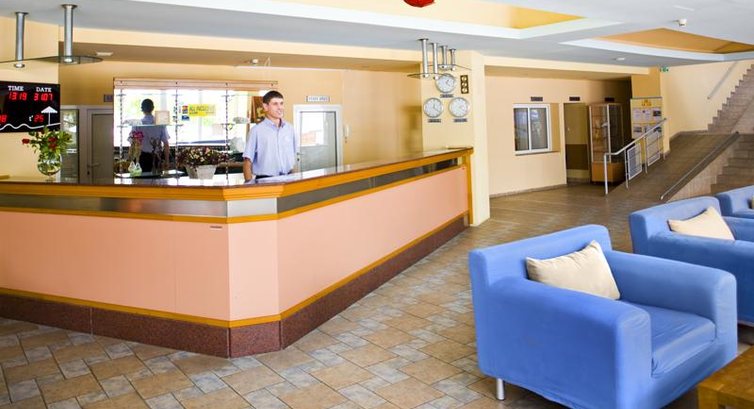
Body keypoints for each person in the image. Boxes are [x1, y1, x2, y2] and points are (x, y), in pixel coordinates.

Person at [243, 90, 299, 181]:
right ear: (265, 107)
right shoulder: (256, 131)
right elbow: (247, 162)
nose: (280, 107)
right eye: (275, 104)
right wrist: (248, 185)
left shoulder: (290, 129)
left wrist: (295, 180)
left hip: (289, 179)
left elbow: (294, 158)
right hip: (265, 181)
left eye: (281, 103)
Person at [135, 98, 170, 172]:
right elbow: (166, 144)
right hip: (157, 157)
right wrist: (167, 161)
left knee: (143, 178)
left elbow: (134, 143)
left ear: (142, 109)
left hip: (142, 158)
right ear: (153, 108)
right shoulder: (160, 123)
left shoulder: (138, 124)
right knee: (157, 178)